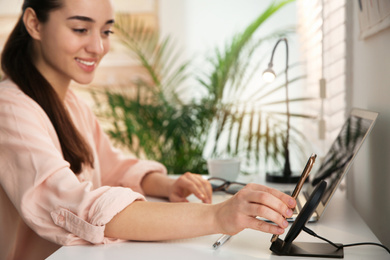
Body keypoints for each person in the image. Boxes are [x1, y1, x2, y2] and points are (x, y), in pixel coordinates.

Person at [0, 0, 296, 259]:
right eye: (80, 29)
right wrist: (218, 215)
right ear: (34, 23)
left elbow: (114, 167)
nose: (98, 47)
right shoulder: (10, 109)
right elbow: (75, 206)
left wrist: (167, 184)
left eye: (106, 31)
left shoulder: (70, 104)